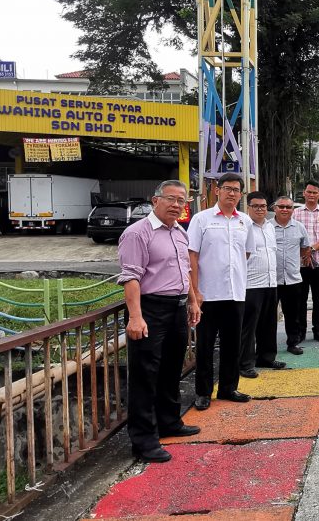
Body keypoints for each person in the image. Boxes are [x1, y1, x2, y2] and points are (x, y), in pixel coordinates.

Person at [118, 179, 202, 463]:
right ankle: (143, 440)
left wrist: (191, 300)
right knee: (145, 375)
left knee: (170, 369)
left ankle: (170, 422)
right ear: (155, 200)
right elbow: (130, 276)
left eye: (182, 201)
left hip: (177, 307)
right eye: (171, 199)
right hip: (150, 309)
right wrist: (136, 316)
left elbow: (185, 271)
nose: (177, 205)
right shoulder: (137, 233)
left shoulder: (179, 232)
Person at [188, 173, 255, 410]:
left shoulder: (244, 222)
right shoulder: (202, 219)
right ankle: (203, 392)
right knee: (205, 345)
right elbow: (192, 256)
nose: (232, 194)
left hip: (235, 293)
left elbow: (246, 253)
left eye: (237, 190)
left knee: (232, 344)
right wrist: (195, 291)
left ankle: (228, 388)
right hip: (207, 294)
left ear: (240, 194)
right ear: (217, 190)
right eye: (227, 189)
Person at [239, 191, 287, 377]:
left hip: (270, 282)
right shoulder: (243, 226)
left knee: (269, 323)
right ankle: (245, 364)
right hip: (250, 284)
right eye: (256, 206)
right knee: (249, 327)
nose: (260, 209)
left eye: (263, 206)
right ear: (248, 207)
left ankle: (266, 357)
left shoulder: (269, 227)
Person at [292, 180, 319, 343]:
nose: (311, 195)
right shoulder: (295, 214)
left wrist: (312, 249)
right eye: (308, 192)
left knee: (318, 300)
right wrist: (303, 252)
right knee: (300, 301)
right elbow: (290, 235)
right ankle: (300, 332)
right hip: (299, 265)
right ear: (304, 193)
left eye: (314, 192)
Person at [272, 195, 311, 354]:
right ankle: (266, 347)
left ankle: (292, 343)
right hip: (271, 280)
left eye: (288, 207)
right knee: (267, 317)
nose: (285, 210)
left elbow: (305, 248)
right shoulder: (267, 227)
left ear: (293, 210)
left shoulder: (299, 227)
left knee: (293, 315)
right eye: (281, 206)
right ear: (275, 208)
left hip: (293, 279)